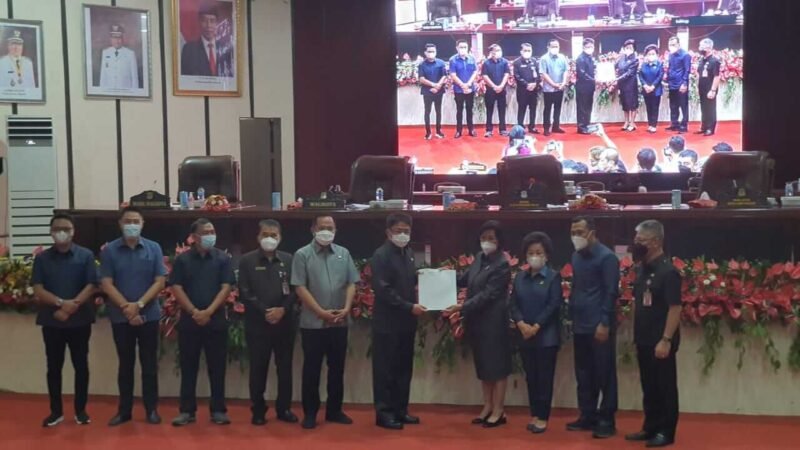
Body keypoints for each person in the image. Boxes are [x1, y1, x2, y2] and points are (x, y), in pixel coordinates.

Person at [100, 207, 167, 426]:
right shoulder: (110, 250)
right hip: (121, 317)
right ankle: (124, 411)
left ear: (142, 223)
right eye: (127, 221)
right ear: (120, 224)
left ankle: (151, 410)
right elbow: (106, 283)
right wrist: (126, 308)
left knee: (149, 365)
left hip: (149, 315)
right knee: (125, 365)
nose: (132, 225)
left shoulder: (153, 248)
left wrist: (138, 305)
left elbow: (160, 281)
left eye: (136, 221)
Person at [291, 215, 360, 429]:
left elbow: (352, 283)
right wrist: (321, 312)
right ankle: (310, 413)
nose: (326, 231)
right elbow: (299, 287)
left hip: (339, 321)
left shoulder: (343, 253)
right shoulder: (302, 254)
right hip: (312, 323)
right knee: (312, 369)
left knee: (337, 369)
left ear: (336, 230)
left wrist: (347, 308)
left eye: (330, 228)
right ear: (313, 229)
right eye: (322, 227)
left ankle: (334, 410)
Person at [32, 213, 98, 427]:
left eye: (66, 228)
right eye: (57, 228)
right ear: (51, 232)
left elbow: (92, 285)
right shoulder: (42, 258)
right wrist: (61, 303)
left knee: (81, 366)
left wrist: (72, 306)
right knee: (54, 367)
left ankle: (81, 410)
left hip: (80, 321)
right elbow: (38, 288)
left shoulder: (85, 255)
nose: (62, 232)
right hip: (52, 320)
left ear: (73, 231)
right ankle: (56, 411)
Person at [445, 221, 512, 428]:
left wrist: (461, 307)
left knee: (497, 367)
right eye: (483, 238)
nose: (487, 242)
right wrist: (440, 277)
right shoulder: (479, 259)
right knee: (484, 366)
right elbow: (464, 279)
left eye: (491, 238)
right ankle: (487, 406)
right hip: (478, 322)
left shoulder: (502, 264)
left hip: (494, 322)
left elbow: (488, 295)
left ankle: (499, 410)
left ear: (499, 241)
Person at [170, 219, 235, 427]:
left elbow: (226, 287)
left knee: (217, 368)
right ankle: (187, 411)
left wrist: (208, 311)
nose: (210, 235)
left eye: (212, 231)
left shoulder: (223, 258)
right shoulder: (183, 260)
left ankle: (218, 410)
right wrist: (194, 311)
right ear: (194, 237)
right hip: (190, 321)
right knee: (188, 367)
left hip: (215, 320)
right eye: (205, 232)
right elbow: (176, 287)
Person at [625, 220, 681, 448]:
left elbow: (675, 308)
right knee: (649, 387)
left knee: (664, 387)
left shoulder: (669, 272)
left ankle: (666, 431)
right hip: (644, 339)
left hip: (661, 340)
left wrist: (666, 340)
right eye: (636, 240)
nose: (636, 244)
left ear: (656, 242)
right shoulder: (642, 269)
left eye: (641, 241)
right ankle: (650, 426)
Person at [238, 219, 299, 426]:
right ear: (258, 237)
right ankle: (258, 410)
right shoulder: (247, 261)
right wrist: (265, 311)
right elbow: (244, 292)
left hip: (285, 323)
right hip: (257, 324)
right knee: (258, 369)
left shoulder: (289, 260)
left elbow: (296, 289)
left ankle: (284, 408)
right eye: (265, 234)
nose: (269, 238)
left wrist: (282, 310)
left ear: (280, 238)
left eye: (274, 235)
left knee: (285, 368)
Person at [567, 216, 620, 439]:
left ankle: (607, 418)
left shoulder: (607, 258)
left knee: (604, 374)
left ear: (592, 233)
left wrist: (604, 322)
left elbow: (611, 292)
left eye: (580, 232)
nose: (576, 236)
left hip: (599, 325)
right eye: (573, 232)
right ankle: (587, 415)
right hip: (580, 324)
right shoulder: (576, 256)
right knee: (584, 374)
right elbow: (576, 287)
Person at [370, 213, 425, 430]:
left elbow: (410, 280)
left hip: (406, 322)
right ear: (388, 232)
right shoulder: (380, 255)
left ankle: (401, 410)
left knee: (403, 369)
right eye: (398, 231)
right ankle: (384, 414)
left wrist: (430, 277)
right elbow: (383, 290)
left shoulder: (408, 253)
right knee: (385, 370)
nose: (403, 235)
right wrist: (408, 306)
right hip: (387, 323)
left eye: (406, 231)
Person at [509, 232, 562, 434]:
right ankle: (534, 413)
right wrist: (521, 324)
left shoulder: (553, 277)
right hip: (524, 335)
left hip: (546, 337)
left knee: (544, 378)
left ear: (546, 255)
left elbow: (553, 305)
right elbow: (513, 304)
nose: (535, 256)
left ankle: (543, 417)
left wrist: (536, 326)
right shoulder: (520, 277)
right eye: (531, 253)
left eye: (539, 252)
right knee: (531, 378)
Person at [180, 6, 233, 77]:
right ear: (199, 22)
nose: (208, 25)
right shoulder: (189, 49)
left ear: (217, 23)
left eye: (212, 21)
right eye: (204, 21)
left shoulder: (225, 50)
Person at [539, 39, 569, 137]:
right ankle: (546, 128)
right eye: (553, 46)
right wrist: (553, 84)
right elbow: (544, 74)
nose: (555, 48)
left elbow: (566, 71)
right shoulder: (544, 58)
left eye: (557, 46)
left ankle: (556, 126)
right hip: (548, 89)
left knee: (557, 108)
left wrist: (563, 82)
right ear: (548, 47)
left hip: (560, 87)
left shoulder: (562, 57)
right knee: (547, 109)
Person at [418, 44, 448, 140]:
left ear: (436, 52)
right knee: (427, 111)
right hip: (427, 91)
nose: (431, 53)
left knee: (438, 111)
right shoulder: (422, 65)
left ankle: (438, 131)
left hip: (439, 91)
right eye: (429, 51)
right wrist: (433, 85)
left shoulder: (441, 63)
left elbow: (444, 76)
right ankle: (428, 133)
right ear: (425, 53)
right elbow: (421, 79)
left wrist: (438, 86)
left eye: (433, 51)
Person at [449, 40, 478, 138]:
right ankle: (459, 131)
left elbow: (475, 72)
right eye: (461, 47)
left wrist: (468, 84)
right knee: (459, 110)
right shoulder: (453, 60)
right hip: (459, 90)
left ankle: (471, 129)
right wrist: (463, 85)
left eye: (465, 47)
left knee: (470, 109)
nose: (463, 49)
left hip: (470, 89)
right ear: (457, 48)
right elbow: (453, 75)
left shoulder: (472, 58)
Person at [482, 44, 510, 138]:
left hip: (502, 90)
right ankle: (489, 130)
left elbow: (506, 74)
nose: (498, 52)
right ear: (491, 52)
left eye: (499, 50)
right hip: (490, 90)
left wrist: (501, 86)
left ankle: (503, 129)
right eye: (496, 50)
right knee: (489, 110)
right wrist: (494, 86)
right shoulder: (486, 63)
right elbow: (485, 76)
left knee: (502, 110)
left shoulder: (504, 62)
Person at [98, 24, 138, 89]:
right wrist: (101, 90)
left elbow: (134, 78)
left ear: (122, 39)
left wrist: (135, 92)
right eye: (114, 38)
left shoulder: (130, 54)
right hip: (109, 90)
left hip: (125, 91)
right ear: (111, 39)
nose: (117, 41)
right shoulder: (105, 52)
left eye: (119, 38)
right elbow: (103, 75)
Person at [612, 39, 640, 132]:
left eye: (630, 47)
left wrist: (617, 79)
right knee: (625, 104)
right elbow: (615, 66)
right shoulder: (621, 58)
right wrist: (618, 57)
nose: (628, 49)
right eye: (626, 47)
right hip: (622, 85)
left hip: (631, 85)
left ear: (634, 49)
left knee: (632, 104)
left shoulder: (635, 59)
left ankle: (632, 123)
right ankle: (626, 122)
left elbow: (629, 73)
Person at [513, 43, 541, 134]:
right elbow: (517, 76)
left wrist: (535, 84)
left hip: (533, 90)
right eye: (525, 50)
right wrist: (527, 85)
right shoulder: (517, 62)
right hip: (522, 91)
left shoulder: (535, 61)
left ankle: (532, 127)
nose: (527, 52)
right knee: (522, 109)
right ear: (521, 51)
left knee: (533, 109)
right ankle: (520, 127)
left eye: (529, 50)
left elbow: (539, 75)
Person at [666, 37, 691, 133]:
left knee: (683, 105)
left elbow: (687, 70)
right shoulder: (671, 55)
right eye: (670, 45)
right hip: (672, 84)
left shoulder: (685, 55)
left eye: (673, 44)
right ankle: (674, 124)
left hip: (681, 85)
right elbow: (670, 68)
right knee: (673, 106)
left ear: (678, 45)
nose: (671, 46)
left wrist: (684, 83)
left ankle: (684, 125)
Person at [696, 38, 721, 136]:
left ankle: (710, 128)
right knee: (704, 108)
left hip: (710, 89)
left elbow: (717, 76)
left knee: (710, 109)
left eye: (702, 46)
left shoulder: (715, 61)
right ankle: (704, 127)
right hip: (702, 88)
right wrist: (697, 88)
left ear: (709, 47)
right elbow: (699, 74)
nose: (700, 48)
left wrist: (713, 90)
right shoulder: (701, 60)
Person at [639, 44, 664, 134]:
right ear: (646, 55)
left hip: (656, 90)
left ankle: (654, 125)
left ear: (657, 55)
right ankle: (650, 124)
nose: (651, 56)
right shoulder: (643, 65)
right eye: (649, 54)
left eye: (653, 54)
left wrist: (653, 86)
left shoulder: (660, 65)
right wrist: (645, 85)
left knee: (654, 108)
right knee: (648, 107)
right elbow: (640, 76)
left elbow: (660, 76)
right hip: (646, 90)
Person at [575, 38, 596, 134]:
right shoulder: (581, 58)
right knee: (582, 108)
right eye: (588, 46)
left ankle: (587, 124)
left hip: (589, 87)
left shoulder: (590, 58)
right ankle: (581, 127)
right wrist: (594, 79)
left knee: (588, 107)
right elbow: (582, 74)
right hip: (582, 87)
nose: (590, 48)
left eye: (591, 46)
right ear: (583, 47)